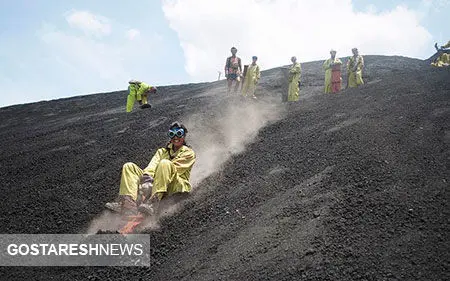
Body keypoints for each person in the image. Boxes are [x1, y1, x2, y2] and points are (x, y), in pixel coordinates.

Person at [105, 122, 196, 215]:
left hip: (176, 187)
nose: (175, 137)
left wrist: (152, 182)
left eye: (179, 133)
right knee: (129, 166)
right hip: (157, 184)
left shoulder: (189, 153)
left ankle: (153, 204)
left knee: (165, 163)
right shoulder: (162, 152)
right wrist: (147, 178)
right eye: (172, 134)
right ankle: (128, 204)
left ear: (184, 136)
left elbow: (174, 169)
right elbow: (152, 165)